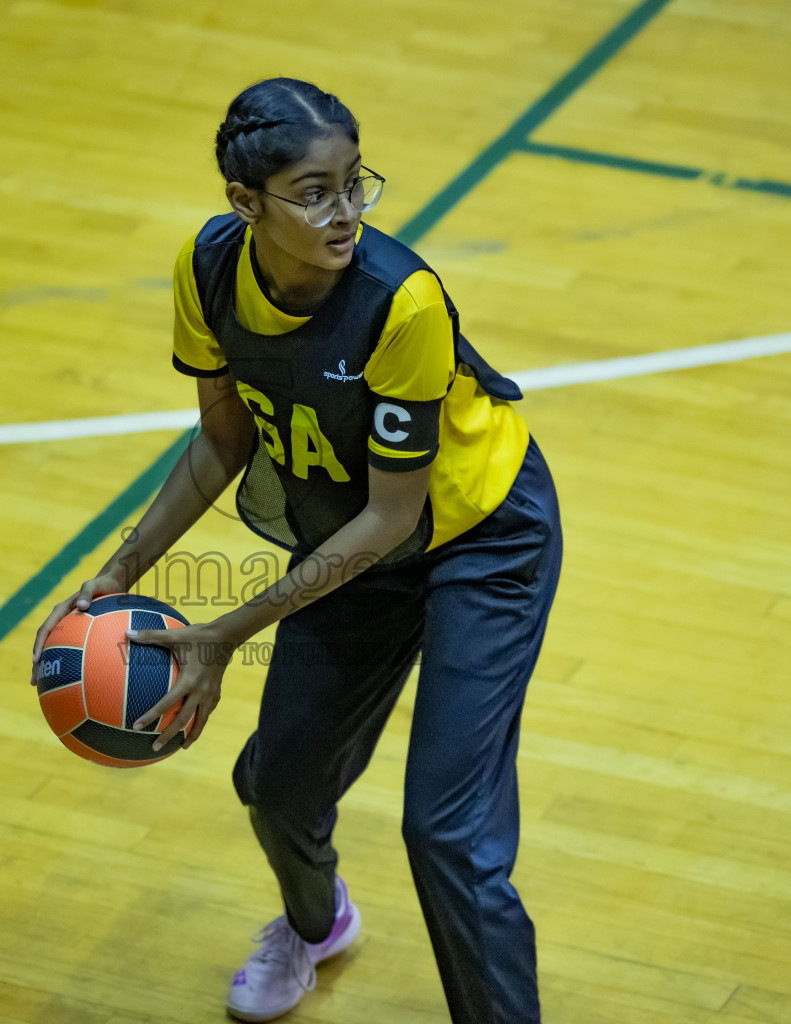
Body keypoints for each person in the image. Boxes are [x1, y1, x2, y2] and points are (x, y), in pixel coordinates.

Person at [31, 78, 562, 1023]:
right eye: (315, 192)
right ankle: (317, 927)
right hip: (348, 538)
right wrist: (116, 574)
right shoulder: (208, 268)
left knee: (446, 831)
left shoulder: (402, 301)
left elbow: (395, 518)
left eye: (357, 183)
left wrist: (226, 631)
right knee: (276, 786)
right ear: (246, 205)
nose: (346, 211)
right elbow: (223, 443)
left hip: (480, 542)